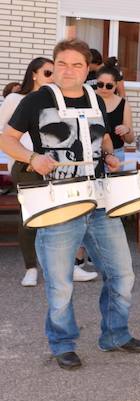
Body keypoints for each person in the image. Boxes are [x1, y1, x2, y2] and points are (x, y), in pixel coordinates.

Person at [0, 39, 140, 370]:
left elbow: (105, 135)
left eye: (77, 65)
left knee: (122, 273)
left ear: (87, 69)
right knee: (60, 282)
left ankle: (115, 334)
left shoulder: (95, 98)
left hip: (98, 200)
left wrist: (109, 155)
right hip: (57, 202)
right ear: (54, 67)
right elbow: (6, 139)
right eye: (62, 64)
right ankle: (62, 343)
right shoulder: (38, 99)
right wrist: (33, 157)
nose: (69, 70)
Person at [0, 57, 98, 286]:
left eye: (55, 72)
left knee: (65, 214)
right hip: (26, 165)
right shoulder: (16, 98)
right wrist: (27, 156)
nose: (53, 76)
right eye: (47, 72)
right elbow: (3, 134)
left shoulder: (56, 100)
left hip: (58, 165)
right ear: (33, 74)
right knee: (32, 216)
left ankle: (70, 266)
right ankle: (31, 268)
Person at [94, 66, 134, 162]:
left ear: (116, 85)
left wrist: (127, 130)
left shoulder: (123, 104)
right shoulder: (87, 98)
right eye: (100, 84)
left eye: (109, 86)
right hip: (92, 153)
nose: (104, 88)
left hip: (116, 154)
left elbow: (130, 140)